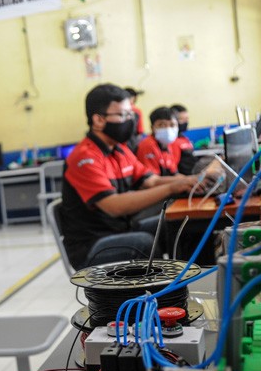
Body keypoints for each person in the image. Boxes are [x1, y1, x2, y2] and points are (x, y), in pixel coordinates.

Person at [60, 84, 199, 270]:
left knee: (179, 223)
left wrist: (192, 180)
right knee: (143, 243)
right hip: (92, 245)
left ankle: (187, 283)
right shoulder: (84, 158)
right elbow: (115, 206)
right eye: (123, 115)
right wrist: (172, 188)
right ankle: (157, 296)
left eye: (131, 114)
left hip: (120, 231)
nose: (131, 120)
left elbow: (152, 180)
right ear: (99, 120)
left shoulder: (120, 150)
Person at [170, 104, 198, 175]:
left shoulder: (184, 138)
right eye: (182, 119)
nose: (185, 122)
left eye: (187, 119)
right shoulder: (171, 141)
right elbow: (173, 169)